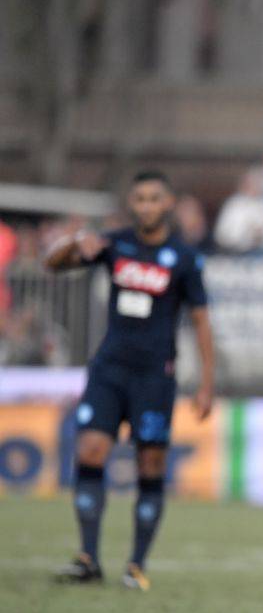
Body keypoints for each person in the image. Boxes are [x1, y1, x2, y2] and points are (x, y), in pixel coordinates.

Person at [46, 170, 216, 591]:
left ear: (168, 204)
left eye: (154, 198)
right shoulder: (113, 243)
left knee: (151, 464)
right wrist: (72, 245)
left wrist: (207, 381)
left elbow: (201, 321)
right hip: (109, 370)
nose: (146, 206)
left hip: (154, 378)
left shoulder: (185, 258)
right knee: (89, 451)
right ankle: (88, 558)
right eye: (139, 198)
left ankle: (136, 565)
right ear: (131, 204)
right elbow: (53, 266)